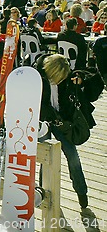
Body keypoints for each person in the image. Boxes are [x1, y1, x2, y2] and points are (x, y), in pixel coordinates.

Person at [35, 53, 99, 209]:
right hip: (43, 121)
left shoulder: (65, 74)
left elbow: (96, 80)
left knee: (72, 156)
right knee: (46, 158)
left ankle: (81, 192)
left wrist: (81, 77)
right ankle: (43, 192)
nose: (60, 81)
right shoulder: (37, 76)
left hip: (62, 122)